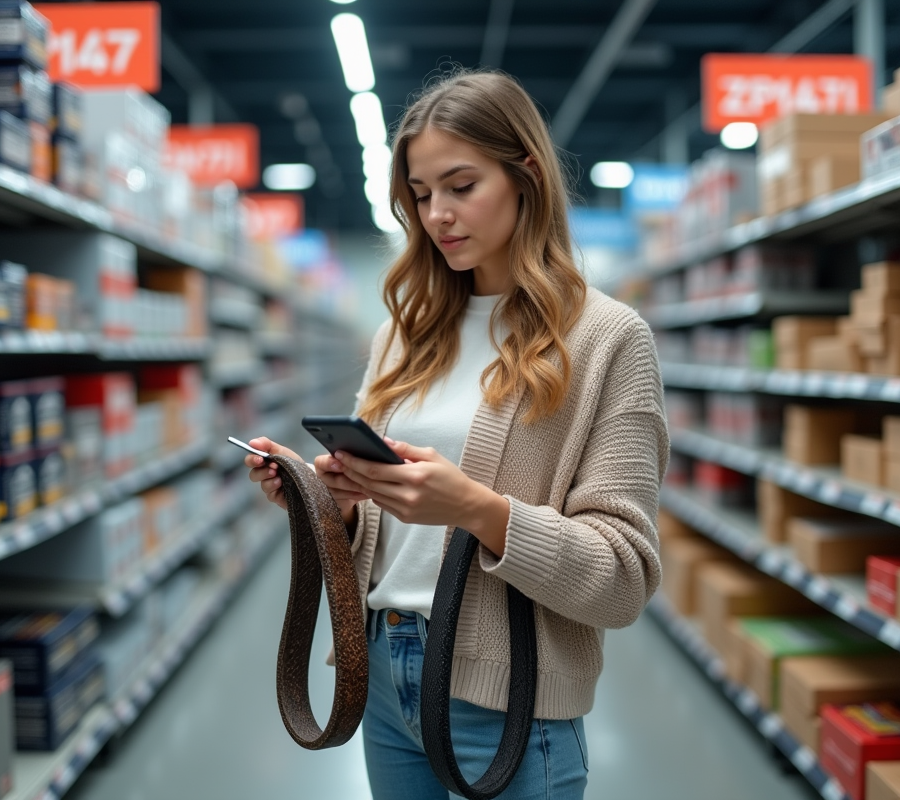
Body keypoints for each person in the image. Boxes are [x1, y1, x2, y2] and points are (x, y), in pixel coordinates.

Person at [246, 69, 667, 799]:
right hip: (380, 673)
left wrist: (477, 509)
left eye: (461, 185)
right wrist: (332, 503)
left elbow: (623, 579)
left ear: (526, 175)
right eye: (420, 192)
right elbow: (382, 534)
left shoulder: (607, 340)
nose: (437, 214)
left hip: (508, 703)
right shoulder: (401, 339)